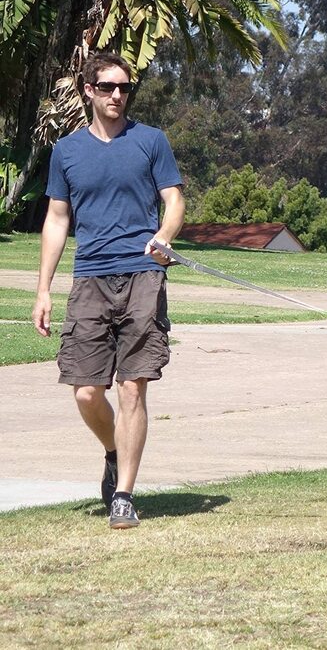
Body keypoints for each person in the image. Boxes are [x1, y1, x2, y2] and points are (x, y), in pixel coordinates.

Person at [32, 52, 185, 529]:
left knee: (133, 387)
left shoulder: (150, 141)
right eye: (107, 87)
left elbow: (175, 200)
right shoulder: (67, 152)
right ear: (88, 92)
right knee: (85, 393)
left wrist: (164, 237)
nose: (117, 95)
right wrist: (43, 289)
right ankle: (114, 450)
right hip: (90, 278)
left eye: (124, 87)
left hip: (142, 274)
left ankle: (124, 496)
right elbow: (57, 219)